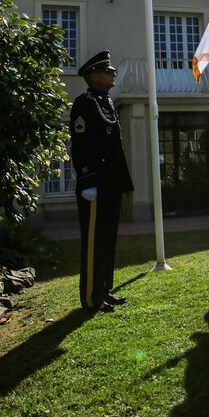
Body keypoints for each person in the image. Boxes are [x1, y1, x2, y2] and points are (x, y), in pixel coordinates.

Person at [70, 50, 134, 312]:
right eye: (108, 71)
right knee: (94, 241)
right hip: (94, 187)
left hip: (109, 184)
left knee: (108, 239)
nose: (113, 74)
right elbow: (81, 145)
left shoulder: (105, 100)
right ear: (94, 76)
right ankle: (91, 298)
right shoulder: (84, 103)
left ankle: (104, 289)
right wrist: (87, 181)